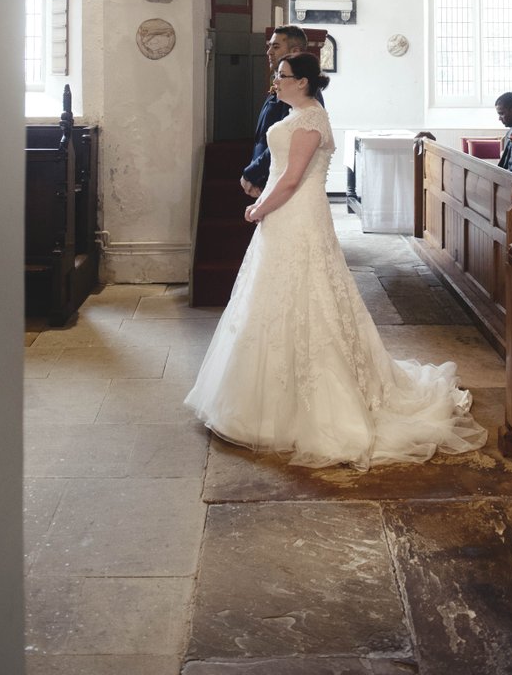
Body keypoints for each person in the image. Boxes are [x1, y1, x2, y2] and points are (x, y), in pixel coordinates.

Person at [185, 51, 487, 470]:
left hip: (297, 214)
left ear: (303, 82)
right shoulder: (296, 114)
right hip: (284, 215)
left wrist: (258, 209)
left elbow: (292, 179)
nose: (275, 80)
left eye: (283, 75)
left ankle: (318, 403)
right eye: (276, 74)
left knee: (309, 294)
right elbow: (279, 172)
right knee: (272, 295)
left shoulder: (312, 120)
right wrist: (264, 200)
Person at [240, 23, 311, 199]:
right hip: (268, 178)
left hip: (282, 183)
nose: (269, 52)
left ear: (295, 51)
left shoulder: (301, 91)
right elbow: (264, 137)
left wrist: (252, 173)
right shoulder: (283, 85)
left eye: (276, 47)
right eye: (269, 46)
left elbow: (285, 142)